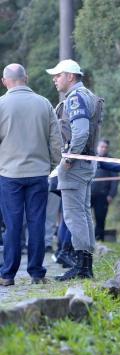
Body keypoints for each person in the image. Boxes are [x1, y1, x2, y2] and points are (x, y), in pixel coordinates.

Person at [0, 63, 62, 286]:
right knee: (37, 222)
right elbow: (56, 141)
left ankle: (7, 275)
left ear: (4, 81)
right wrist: (51, 165)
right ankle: (37, 273)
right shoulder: (44, 103)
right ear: (26, 78)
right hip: (38, 173)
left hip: (9, 175)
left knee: (12, 225)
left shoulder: (1, 104)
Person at [46, 59, 103, 281]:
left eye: (58, 75)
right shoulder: (88, 95)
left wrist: (68, 158)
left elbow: (80, 132)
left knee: (74, 215)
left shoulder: (76, 98)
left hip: (76, 164)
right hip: (87, 162)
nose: (54, 79)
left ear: (70, 76)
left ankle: (81, 266)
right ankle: (86, 264)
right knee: (84, 213)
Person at [92, 139, 120, 241]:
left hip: (103, 195)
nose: (103, 149)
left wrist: (111, 194)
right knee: (84, 217)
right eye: (101, 146)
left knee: (100, 218)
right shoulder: (91, 158)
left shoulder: (111, 161)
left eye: (105, 147)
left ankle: (98, 239)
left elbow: (115, 180)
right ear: (97, 147)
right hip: (89, 193)